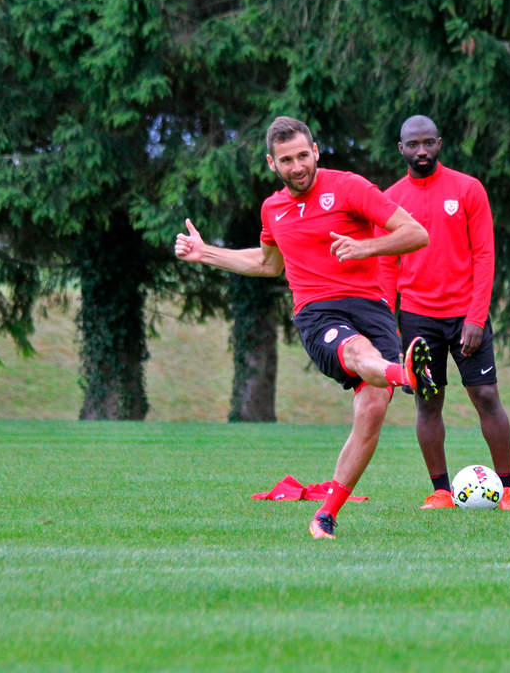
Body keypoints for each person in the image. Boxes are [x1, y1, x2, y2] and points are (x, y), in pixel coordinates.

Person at [174, 116, 439, 539]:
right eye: (286, 160)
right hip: (319, 313)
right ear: (271, 163)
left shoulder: (350, 187)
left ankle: (325, 515)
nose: (297, 166)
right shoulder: (272, 208)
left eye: (302, 155)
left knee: (372, 411)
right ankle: (404, 374)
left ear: (315, 151)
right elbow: (267, 263)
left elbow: (416, 233)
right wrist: (206, 253)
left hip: (371, 307)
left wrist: (364, 247)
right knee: (356, 352)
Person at [379, 114, 510, 510]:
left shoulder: (468, 189)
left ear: (440, 143)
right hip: (415, 318)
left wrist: (476, 317)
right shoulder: (389, 200)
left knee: (486, 394)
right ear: (401, 149)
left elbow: (484, 255)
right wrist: (391, 338)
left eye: (428, 142)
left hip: (465, 314)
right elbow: (385, 269)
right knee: (427, 401)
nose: (421, 151)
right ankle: (441, 491)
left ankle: (509, 490)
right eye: (413, 144)